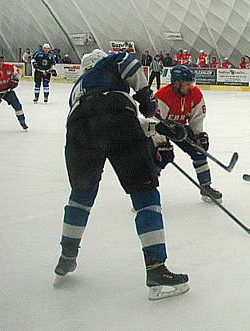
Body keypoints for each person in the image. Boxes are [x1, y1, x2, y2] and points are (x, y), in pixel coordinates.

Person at [56, 49, 188, 300]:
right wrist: (146, 97)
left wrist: (161, 128)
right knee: (145, 194)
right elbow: (126, 63)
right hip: (115, 117)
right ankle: (157, 269)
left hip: (77, 130)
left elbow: (104, 117)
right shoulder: (106, 65)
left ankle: (67, 256)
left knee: (81, 196)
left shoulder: (78, 88)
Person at [152, 65, 223, 202]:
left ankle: (205, 187)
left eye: (191, 83)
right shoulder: (162, 96)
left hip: (179, 128)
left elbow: (197, 117)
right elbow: (152, 122)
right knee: (160, 157)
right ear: (176, 82)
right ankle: (146, 193)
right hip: (160, 129)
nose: (190, 87)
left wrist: (198, 135)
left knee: (199, 150)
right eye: (187, 84)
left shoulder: (195, 93)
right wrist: (160, 142)